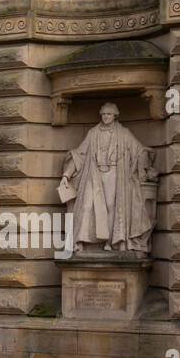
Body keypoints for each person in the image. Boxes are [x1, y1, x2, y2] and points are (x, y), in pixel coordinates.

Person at [58, 102, 156, 254]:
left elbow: (139, 150)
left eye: (109, 114)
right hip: (94, 173)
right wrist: (66, 175)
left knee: (112, 206)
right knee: (86, 206)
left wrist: (145, 164)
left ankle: (109, 241)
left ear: (115, 115)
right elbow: (80, 155)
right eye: (104, 114)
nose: (106, 117)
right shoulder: (93, 133)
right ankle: (79, 241)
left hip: (115, 174)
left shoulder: (124, 133)